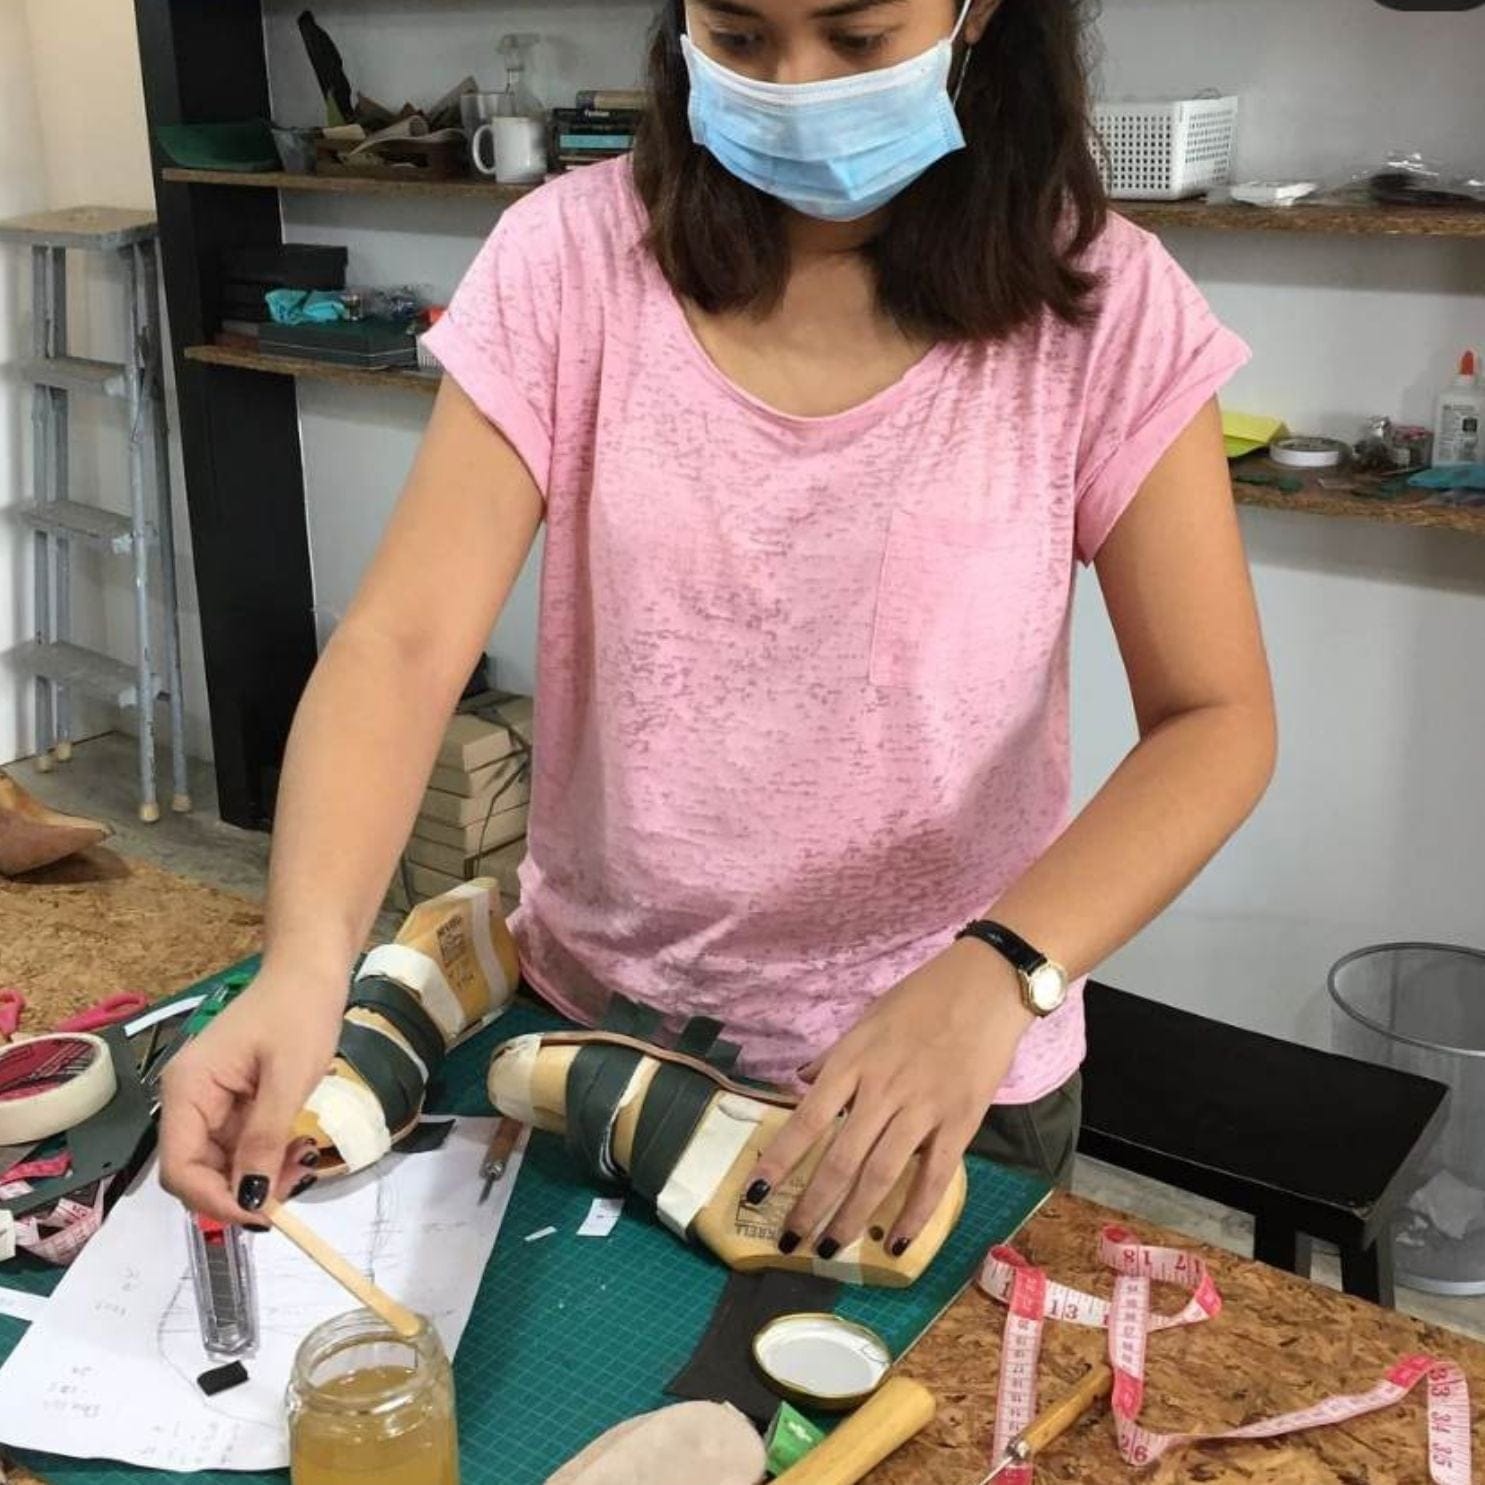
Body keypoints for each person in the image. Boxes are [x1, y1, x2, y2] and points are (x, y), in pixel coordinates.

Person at [162, 0, 1275, 1262]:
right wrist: (305, 965)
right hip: (588, 1030)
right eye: (739, 39)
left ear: (977, 14)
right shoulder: (569, 260)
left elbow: (1216, 719)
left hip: (928, 1082)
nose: (793, 87)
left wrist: (1004, 969)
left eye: (857, 40)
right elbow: (401, 644)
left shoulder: (1107, 307)